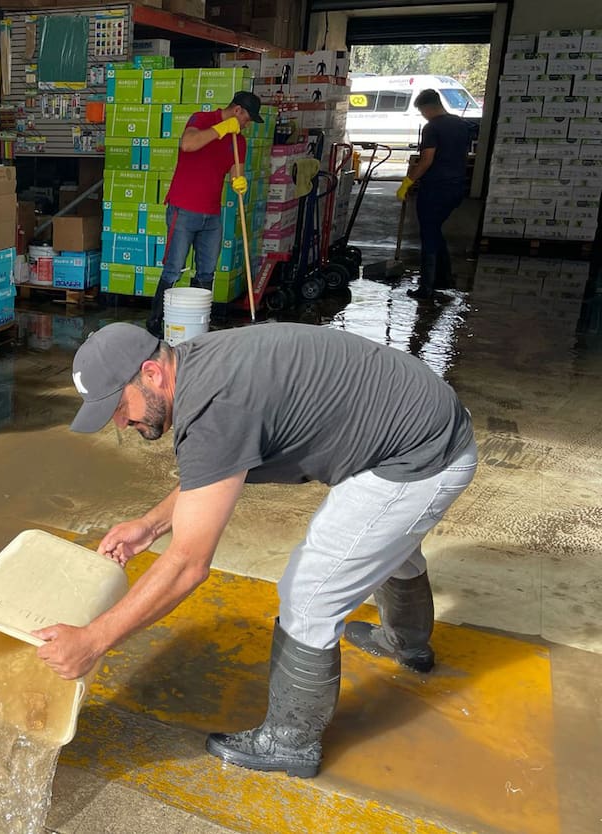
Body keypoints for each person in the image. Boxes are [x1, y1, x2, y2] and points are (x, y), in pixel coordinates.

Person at [35, 322, 477, 778]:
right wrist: (151, 524)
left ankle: (290, 742)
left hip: (420, 456)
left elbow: (188, 564)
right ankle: (405, 644)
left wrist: (94, 640)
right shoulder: (197, 366)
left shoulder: (215, 408)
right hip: (419, 423)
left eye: (118, 407)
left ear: (151, 373)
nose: (121, 424)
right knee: (386, 542)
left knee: (310, 597)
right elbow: (216, 470)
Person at [147, 91, 264, 337]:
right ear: (238, 111)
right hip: (184, 208)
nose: (247, 124)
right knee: (174, 267)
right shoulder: (201, 119)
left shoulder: (238, 141)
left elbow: (236, 171)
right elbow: (188, 144)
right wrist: (221, 129)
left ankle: (196, 321)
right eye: (247, 119)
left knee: (206, 271)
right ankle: (155, 321)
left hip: (212, 214)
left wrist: (239, 182)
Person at [396, 89, 470, 300]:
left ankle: (426, 287)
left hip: (436, 189)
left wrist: (408, 182)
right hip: (456, 188)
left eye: (422, 111)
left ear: (427, 108)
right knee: (435, 230)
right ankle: (443, 279)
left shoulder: (432, 127)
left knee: (428, 233)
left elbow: (427, 160)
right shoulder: (460, 124)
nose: (423, 115)